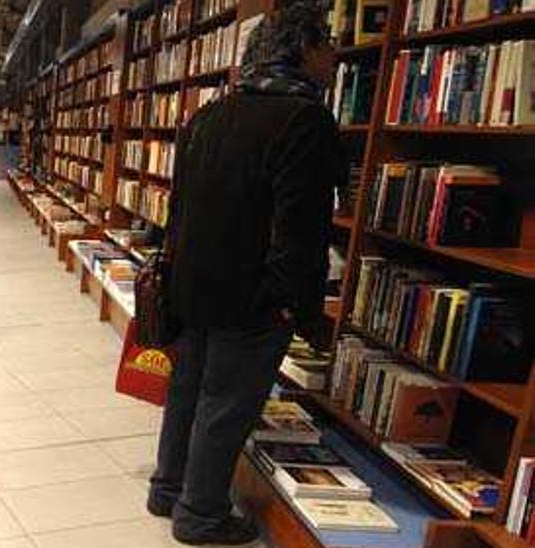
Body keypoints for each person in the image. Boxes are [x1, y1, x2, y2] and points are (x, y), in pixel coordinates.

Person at [147, 3, 342, 545]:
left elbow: (179, 208)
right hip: (250, 294)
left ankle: (168, 488)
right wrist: (291, 303)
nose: (334, 55)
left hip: (189, 284)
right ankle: (202, 514)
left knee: (187, 391)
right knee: (227, 404)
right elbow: (300, 226)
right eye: (326, 43)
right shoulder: (304, 119)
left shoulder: (208, 115)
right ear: (301, 47)